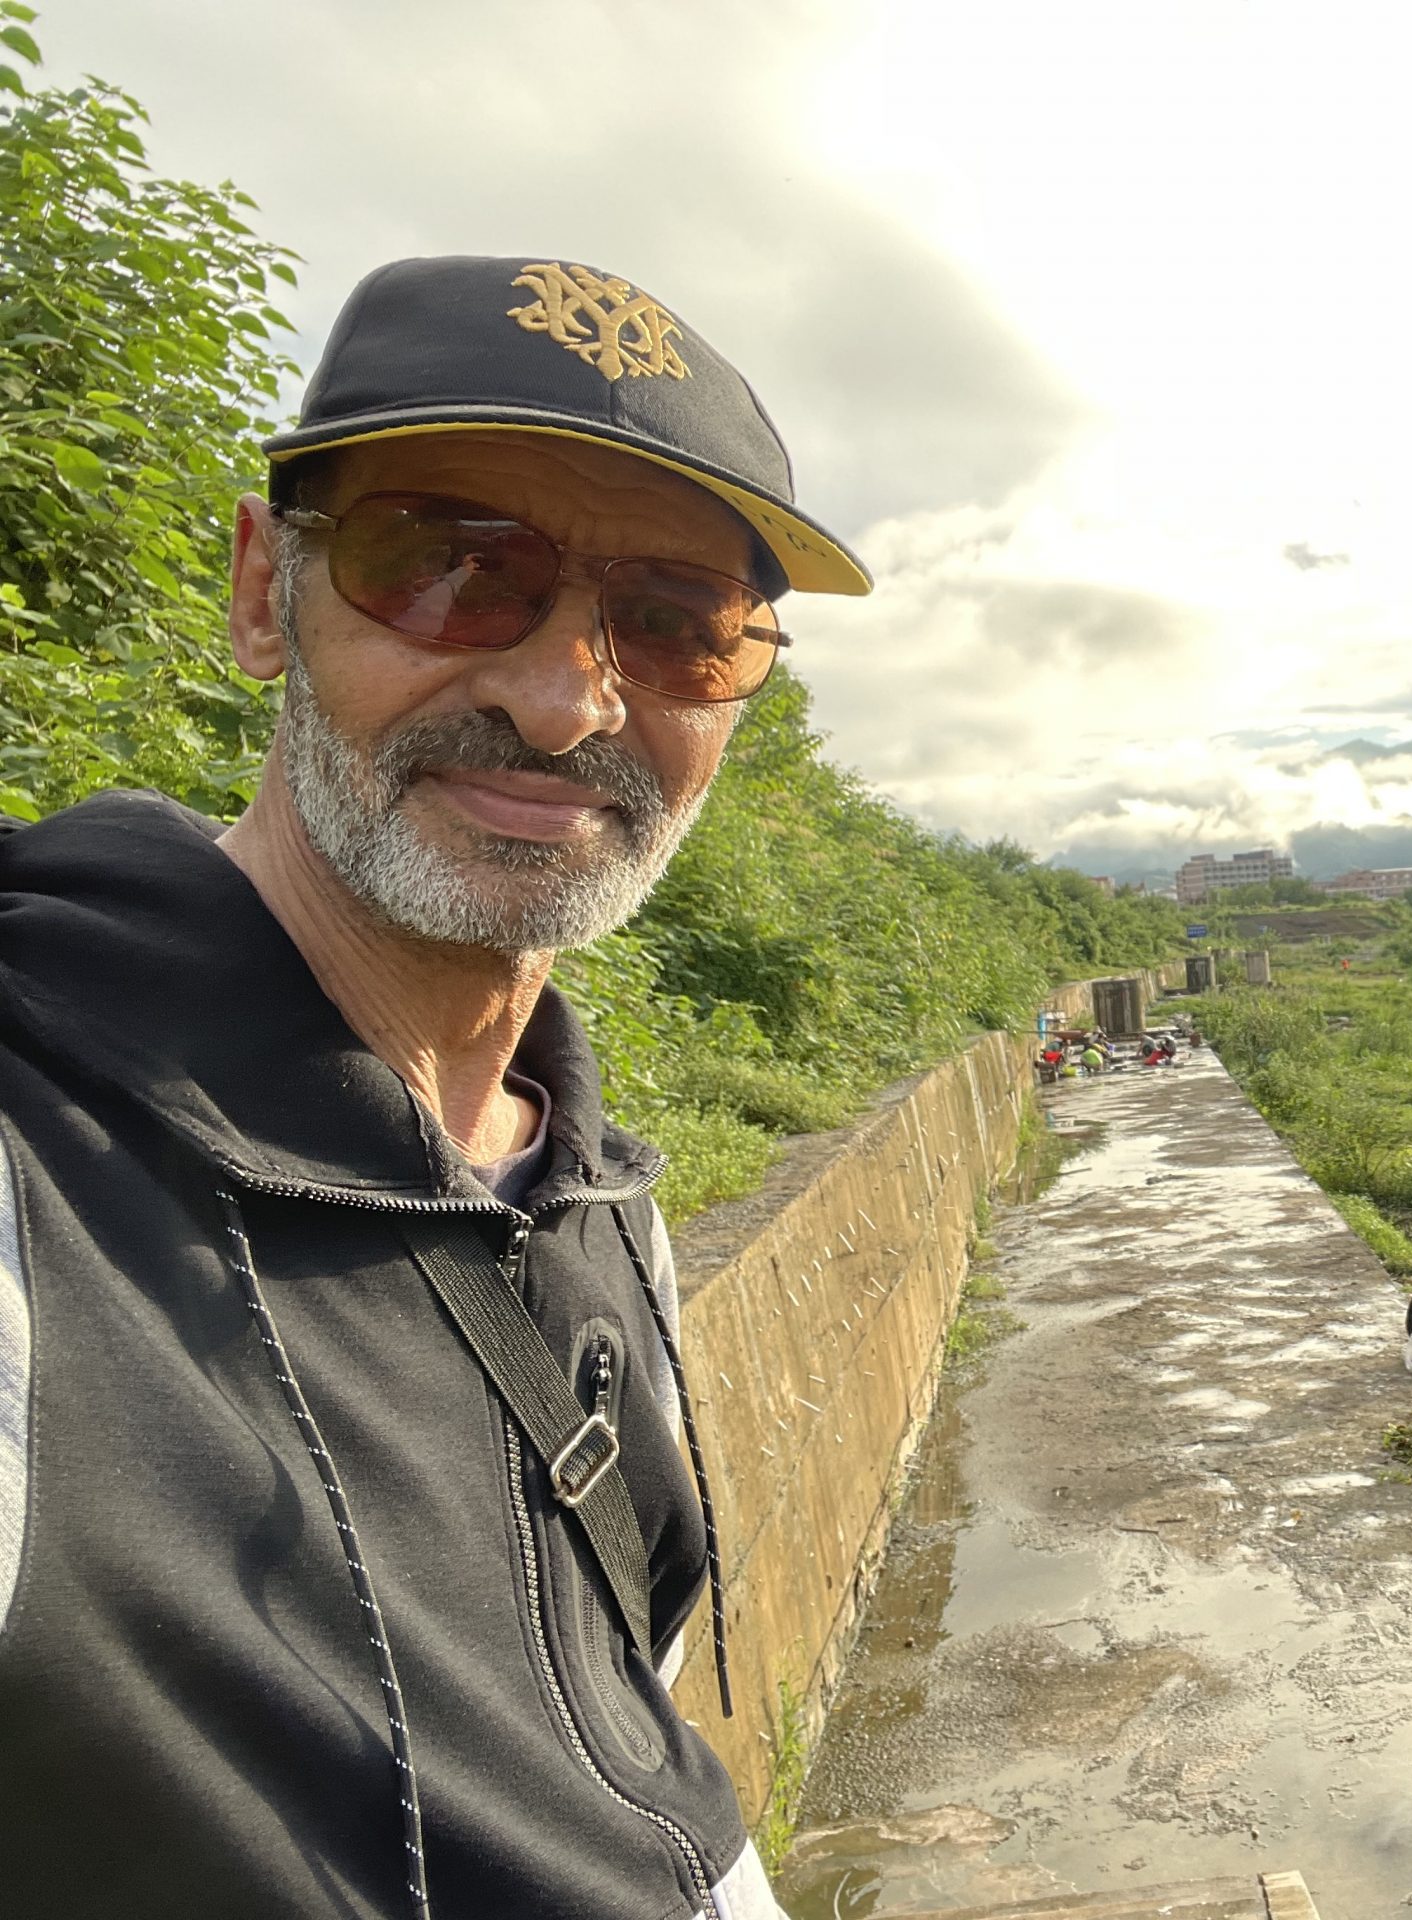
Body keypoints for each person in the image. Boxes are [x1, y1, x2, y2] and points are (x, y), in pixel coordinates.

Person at [0, 256, 876, 1918]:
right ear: (264, 595)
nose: (561, 701)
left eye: (676, 625)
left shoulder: (595, 1197)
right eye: (452, 570)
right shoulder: (37, 1186)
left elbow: (619, 1738)